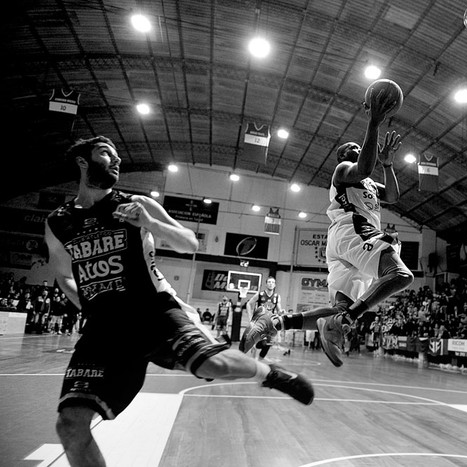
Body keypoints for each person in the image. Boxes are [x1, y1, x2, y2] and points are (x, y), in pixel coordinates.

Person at [45, 136, 314, 467]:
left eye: (118, 156)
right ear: (83, 162)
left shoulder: (136, 204)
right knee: (70, 425)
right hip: (104, 329)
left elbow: (189, 243)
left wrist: (150, 222)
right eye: (106, 154)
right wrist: (87, 306)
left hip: (152, 312)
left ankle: (271, 373)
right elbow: (64, 275)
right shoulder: (58, 221)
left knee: (211, 366)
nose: (116, 160)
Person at [241, 87, 414, 367]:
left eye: (359, 148)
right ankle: (342, 322)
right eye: (352, 149)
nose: (357, 149)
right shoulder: (344, 171)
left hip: (347, 242)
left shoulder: (368, 183)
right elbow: (364, 168)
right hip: (354, 231)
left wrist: (389, 165)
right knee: (400, 275)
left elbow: (393, 196)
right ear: (343, 156)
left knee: (339, 308)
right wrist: (373, 123)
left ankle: (273, 322)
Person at [241, 277, 290, 359]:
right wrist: (250, 317)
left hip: (269, 323)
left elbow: (279, 311)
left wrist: (281, 312)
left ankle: (259, 362)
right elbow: (248, 304)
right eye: (269, 282)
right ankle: (254, 362)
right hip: (258, 322)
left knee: (267, 344)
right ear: (266, 284)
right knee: (255, 343)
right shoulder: (260, 295)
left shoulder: (277, 297)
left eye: (272, 282)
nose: (271, 283)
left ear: (275, 285)